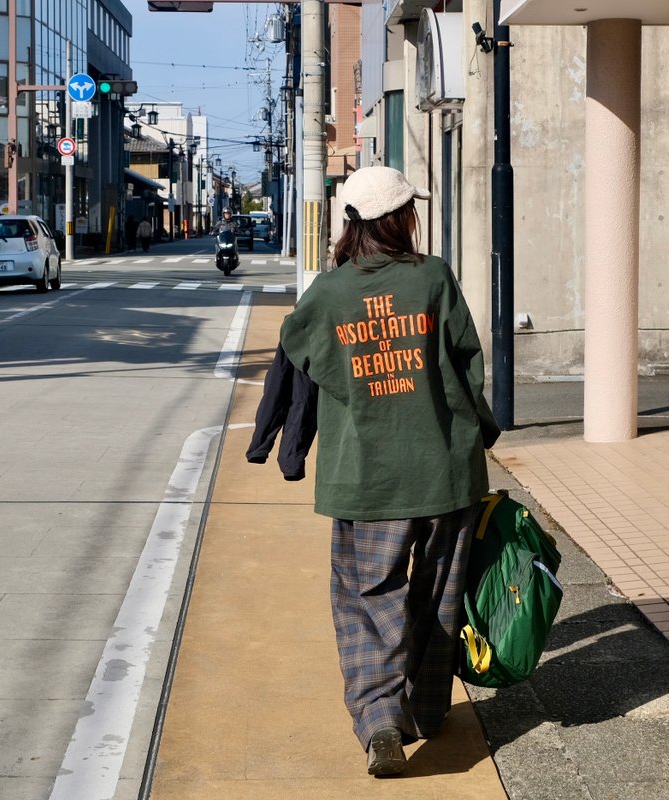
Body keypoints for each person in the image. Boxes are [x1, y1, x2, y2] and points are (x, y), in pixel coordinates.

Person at [275, 166, 500, 777]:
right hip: (443, 470)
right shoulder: (433, 278)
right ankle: (426, 711)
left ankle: (378, 719)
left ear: (350, 224)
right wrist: (476, 427)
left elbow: (299, 351)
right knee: (437, 596)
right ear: (402, 218)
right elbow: (468, 362)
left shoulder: (329, 292)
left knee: (364, 597)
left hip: (364, 477)